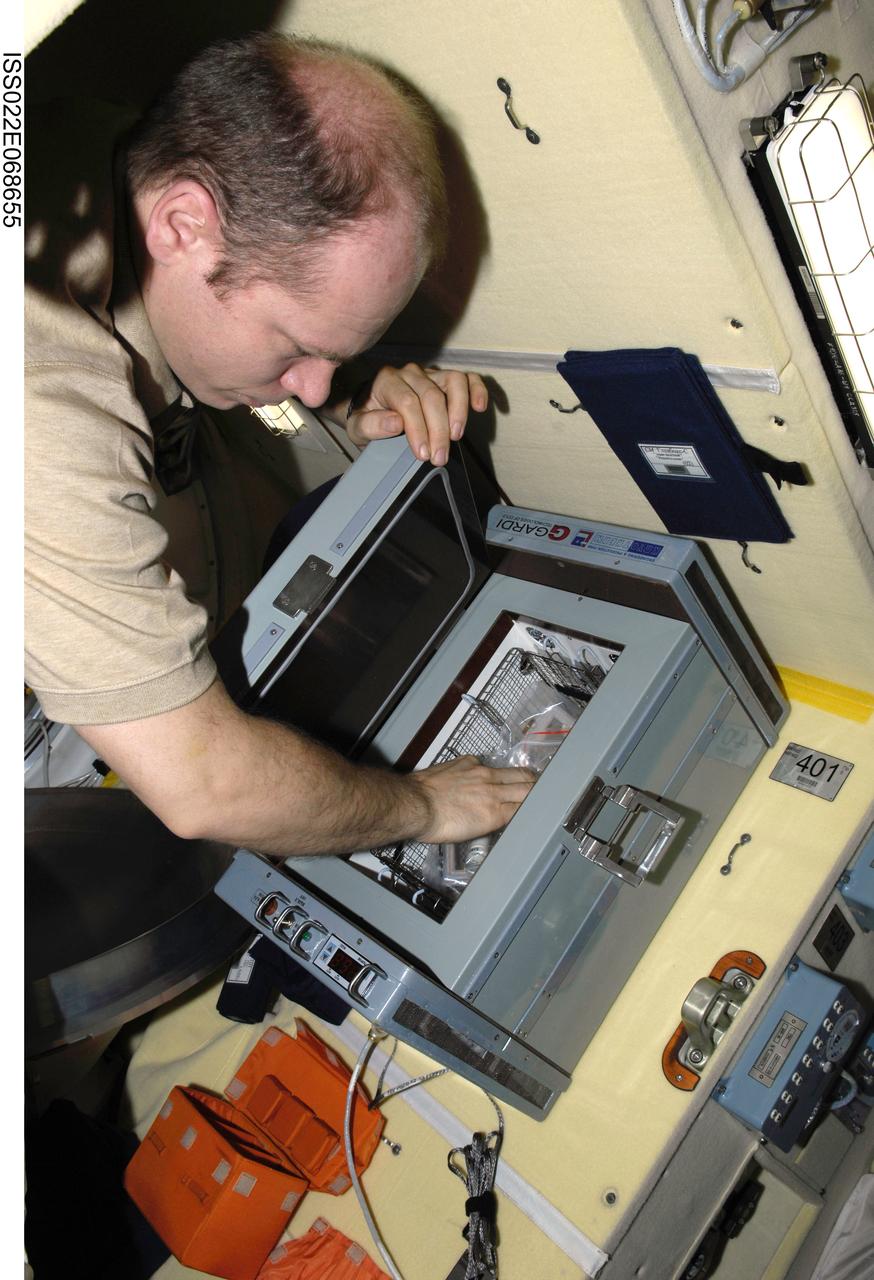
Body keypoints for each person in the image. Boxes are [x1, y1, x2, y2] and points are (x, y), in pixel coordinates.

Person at [25, 32, 535, 857]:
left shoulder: (124, 153)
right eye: (298, 347)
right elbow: (204, 785)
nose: (314, 384)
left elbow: (225, 354)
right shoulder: (40, 406)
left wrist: (344, 401)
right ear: (182, 226)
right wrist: (423, 809)